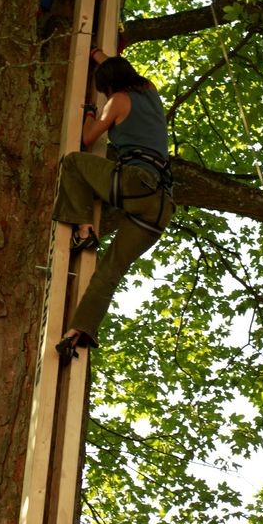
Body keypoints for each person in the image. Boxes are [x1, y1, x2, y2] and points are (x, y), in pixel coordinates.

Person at [53, 48, 175, 362]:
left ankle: (84, 229)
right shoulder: (150, 90)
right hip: (161, 207)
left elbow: (89, 138)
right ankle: (76, 334)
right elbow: (118, 67)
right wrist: (98, 55)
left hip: (136, 182)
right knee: (109, 272)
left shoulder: (117, 101)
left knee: (74, 163)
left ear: (109, 85)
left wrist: (91, 112)